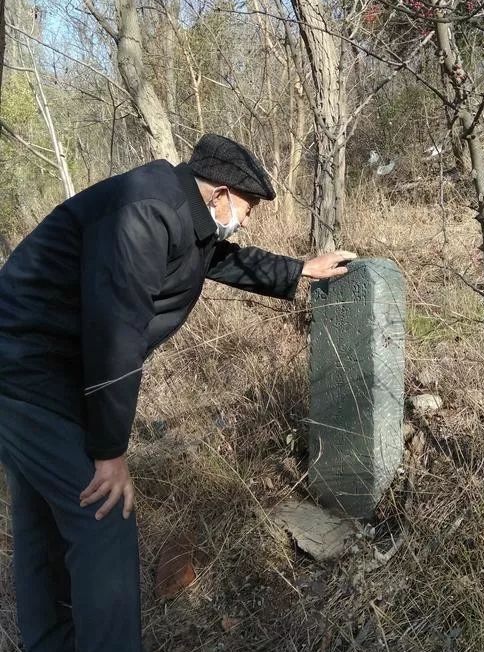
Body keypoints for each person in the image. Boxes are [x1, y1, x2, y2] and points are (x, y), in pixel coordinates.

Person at [0, 133, 355, 652]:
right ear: (220, 193)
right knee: (102, 519)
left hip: (33, 368)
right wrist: (109, 453)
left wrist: (299, 269)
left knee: (42, 527)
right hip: (30, 372)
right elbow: (115, 333)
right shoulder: (143, 213)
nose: (247, 218)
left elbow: (215, 259)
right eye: (248, 206)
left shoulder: (178, 211)